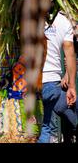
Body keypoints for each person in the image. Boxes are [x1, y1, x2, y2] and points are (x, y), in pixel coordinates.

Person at [38, 12, 76, 143]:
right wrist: (72, 87)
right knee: (45, 127)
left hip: (33, 83)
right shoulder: (64, 21)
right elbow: (70, 54)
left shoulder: (28, 14)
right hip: (53, 83)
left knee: (32, 129)